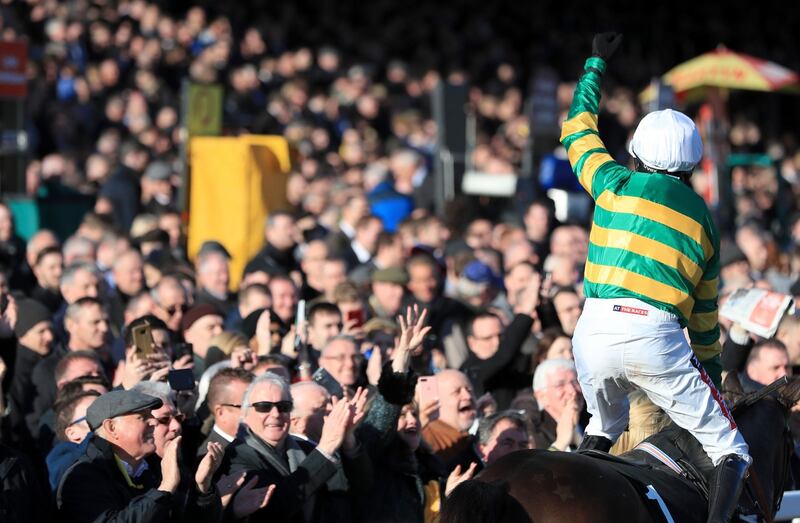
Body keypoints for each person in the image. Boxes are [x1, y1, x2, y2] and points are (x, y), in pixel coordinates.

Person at [560, 32, 750, 522]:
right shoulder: (705, 220)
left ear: (637, 153)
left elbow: (577, 129)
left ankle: (571, 489)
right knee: (733, 450)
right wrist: (711, 380)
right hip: (656, 338)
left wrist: (596, 63)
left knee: (604, 425)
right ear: (694, 162)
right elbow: (705, 323)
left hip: (593, 332)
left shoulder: (613, 181)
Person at [218, 373, 370, 522]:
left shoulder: (306, 448)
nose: (276, 414)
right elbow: (275, 508)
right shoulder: (235, 455)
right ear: (245, 414)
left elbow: (359, 486)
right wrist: (325, 449)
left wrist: (349, 439)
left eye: (283, 406)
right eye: (264, 407)